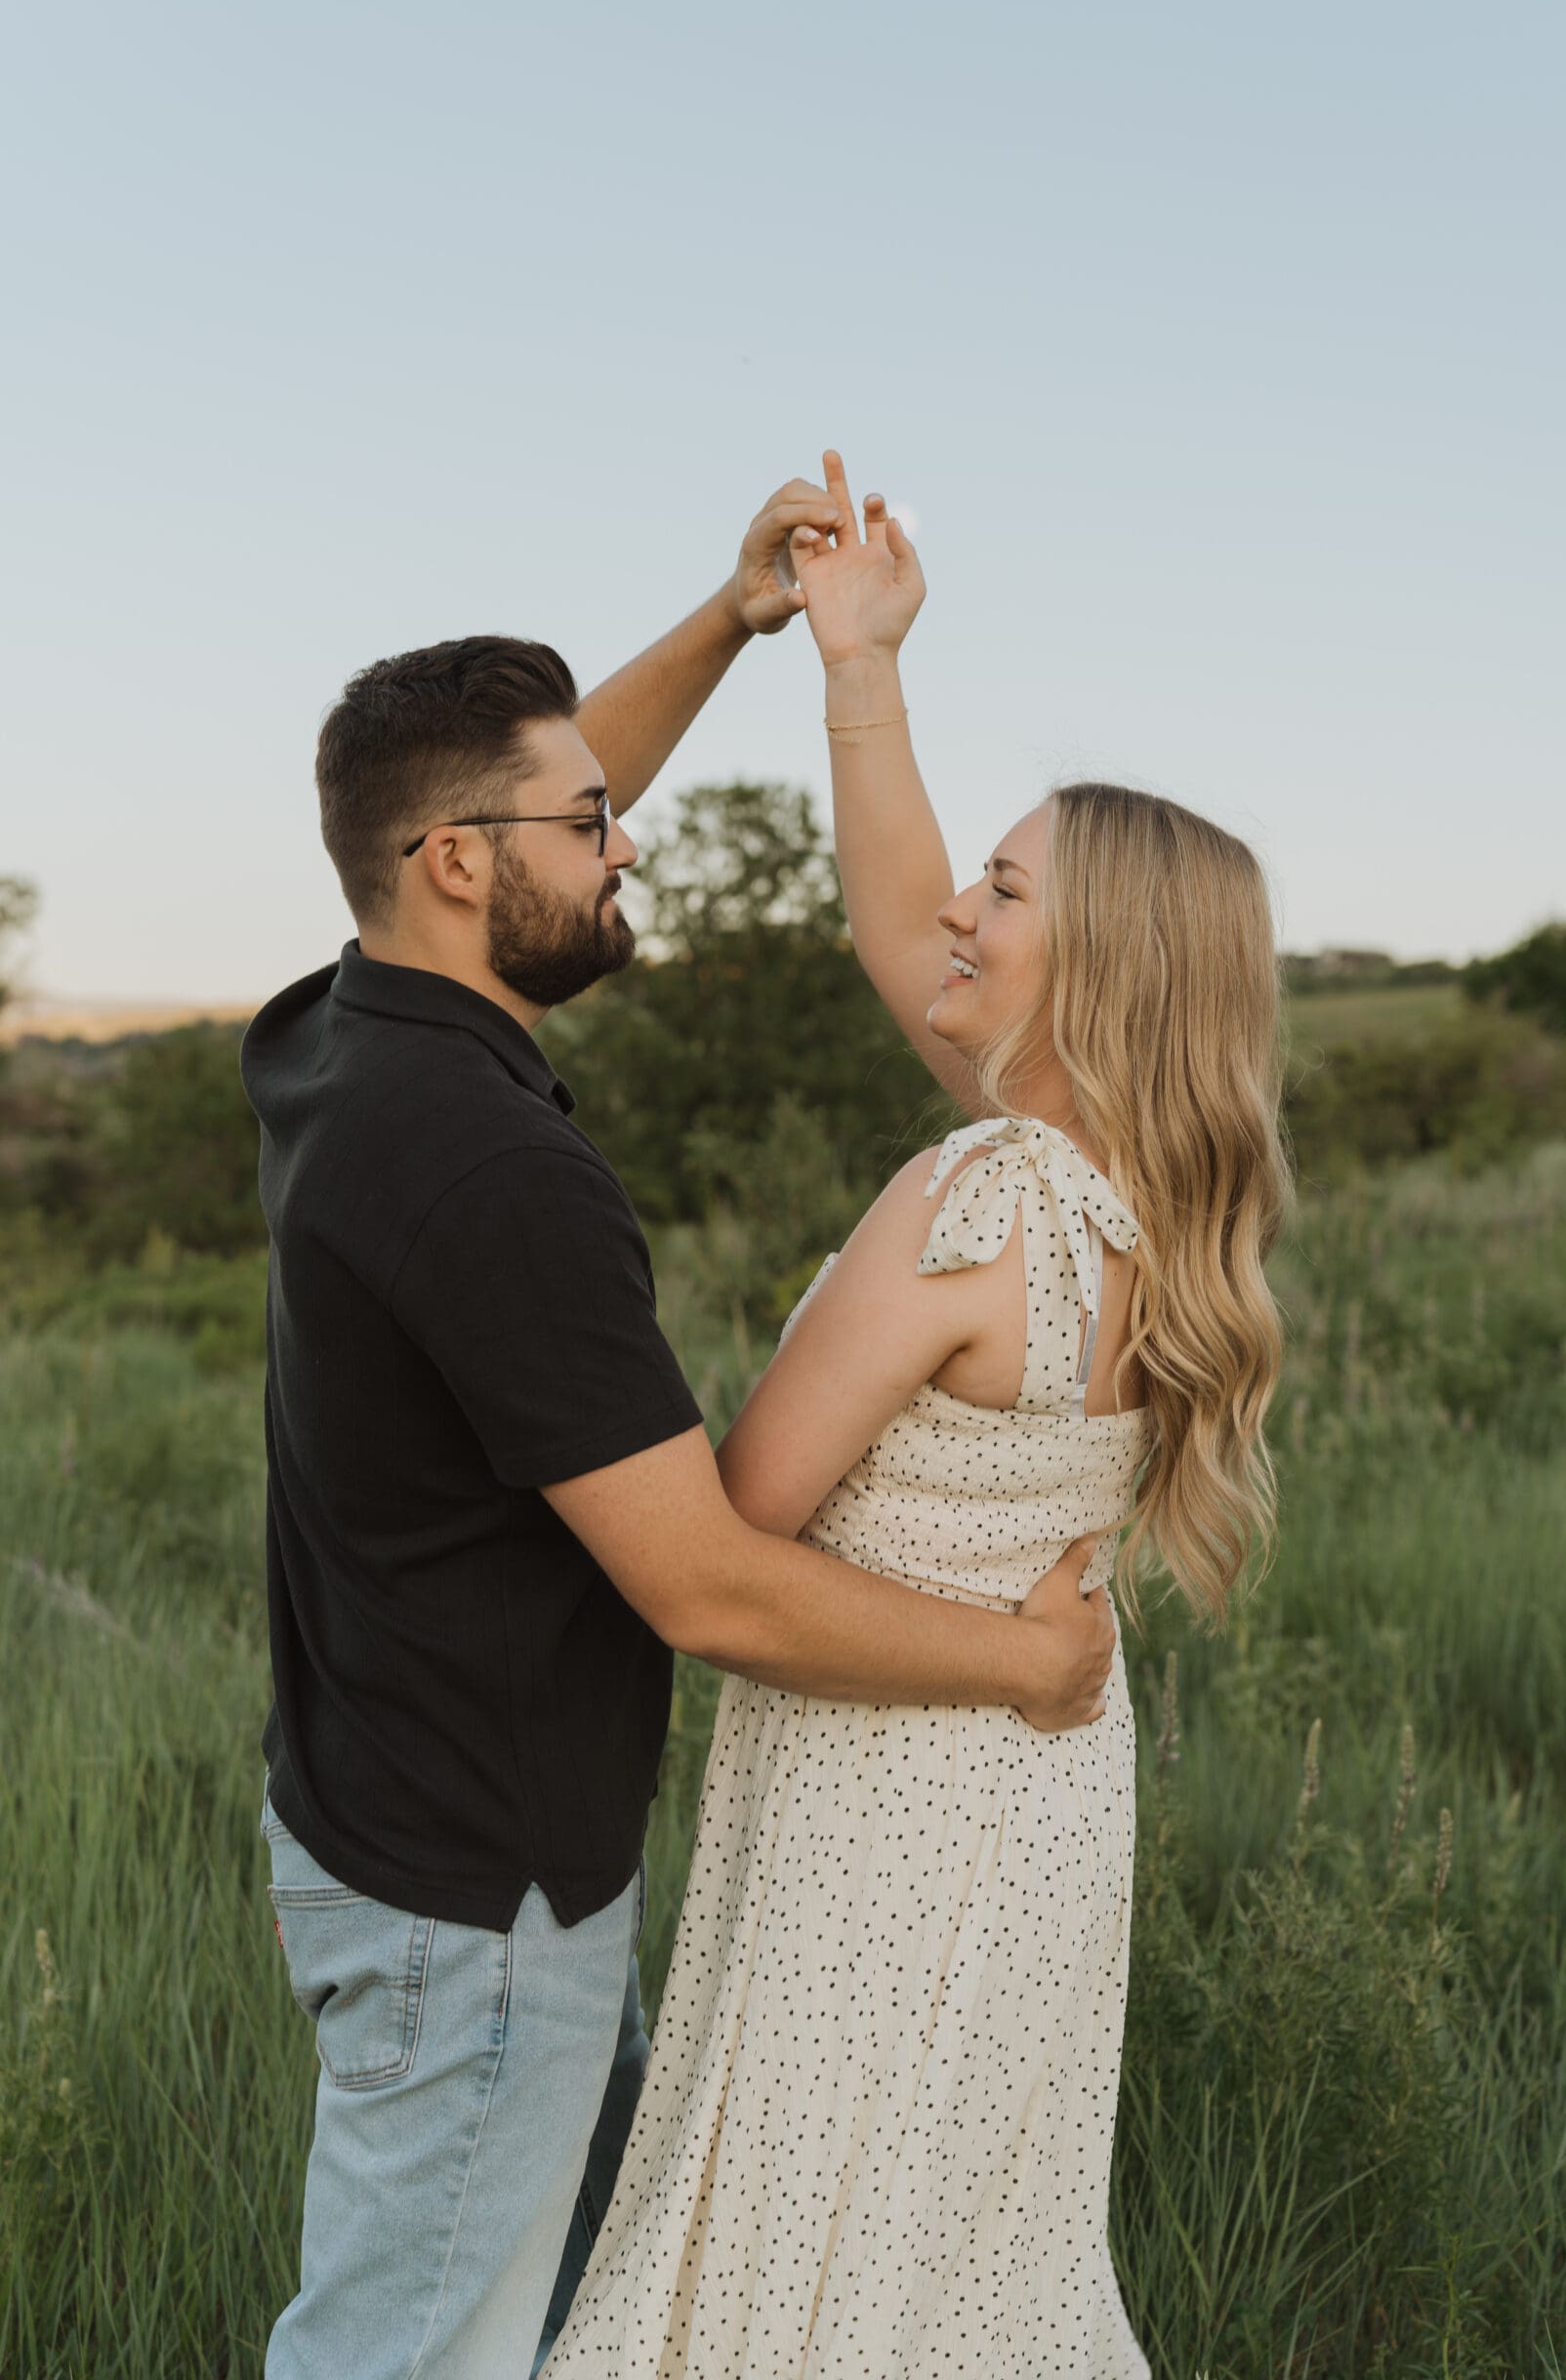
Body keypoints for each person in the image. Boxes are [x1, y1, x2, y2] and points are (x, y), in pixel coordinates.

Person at [242, 472, 1118, 2380]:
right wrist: (1031, 1659)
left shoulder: (339, 1029)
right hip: (481, 1896)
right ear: (464, 865)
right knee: (411, 2346)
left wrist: (738, 621)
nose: (621, 840)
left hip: (401, 1812)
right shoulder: (490, 1168)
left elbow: (513, 809)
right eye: (588, 823)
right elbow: (711, 1581)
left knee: (570, 2297)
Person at [540, 454, 1291, 2377]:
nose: (955, 902)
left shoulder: (967, 1203)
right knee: (956, 2247)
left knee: (810, 2254)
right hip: (1039, 1799)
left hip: (877, 1801)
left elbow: (740, 1516)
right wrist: (853, 670)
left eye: (1005, 888)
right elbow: (911, 942)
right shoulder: (1148, 1189)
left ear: (1089, 963)